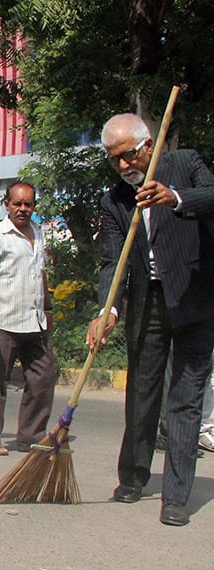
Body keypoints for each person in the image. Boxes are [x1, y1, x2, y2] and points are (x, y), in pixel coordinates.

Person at [87, 113, 214, 527]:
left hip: (194, 297)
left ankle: (176, 495)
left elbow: (212, 196)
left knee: (185, 398)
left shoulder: (185, 163)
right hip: (148, 303)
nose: (124, 166)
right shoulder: (113, 201)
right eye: (114, 159)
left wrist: (174, 198)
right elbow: (113, 262)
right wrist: (107, 308)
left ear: (146, 146)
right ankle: (133, 476)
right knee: (142, 392)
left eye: (127, 155)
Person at [0, 182, 55, 455]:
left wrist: (48, 308)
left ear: (34, 206)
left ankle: (31, 435)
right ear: (6, 204)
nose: (22, 209)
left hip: (35, 321)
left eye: (28, 204)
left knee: (43, 378)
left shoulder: (39, 232)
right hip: (5, 320)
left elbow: (40, 273)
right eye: (17, 204)